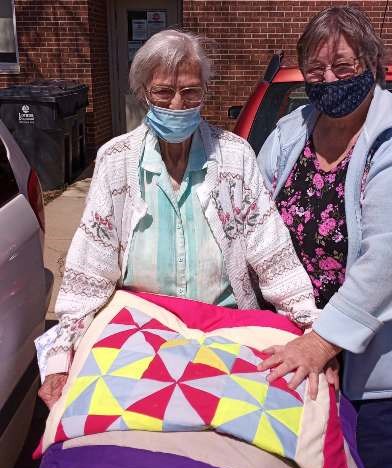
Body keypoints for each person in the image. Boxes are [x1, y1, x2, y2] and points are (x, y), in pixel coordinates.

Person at [36, 29, 322, 411]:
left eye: (190, 92)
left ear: (205, 91)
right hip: (139, 338)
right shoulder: (116, 160)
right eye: (163, 92)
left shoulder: (234, 156)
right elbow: (90, 267)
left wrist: (311, 331)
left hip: (224, 336)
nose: (177, 104)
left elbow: (272, 253)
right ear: (143, 94)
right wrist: (60, 359)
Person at [256, 6, 392, 468]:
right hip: (304, 358)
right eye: (315, 71)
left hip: (385, 375)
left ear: (372, 64)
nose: (329, 81)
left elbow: (390, 263)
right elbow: (256, 224)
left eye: (343, 67)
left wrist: (321, 343)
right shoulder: (290, 130)